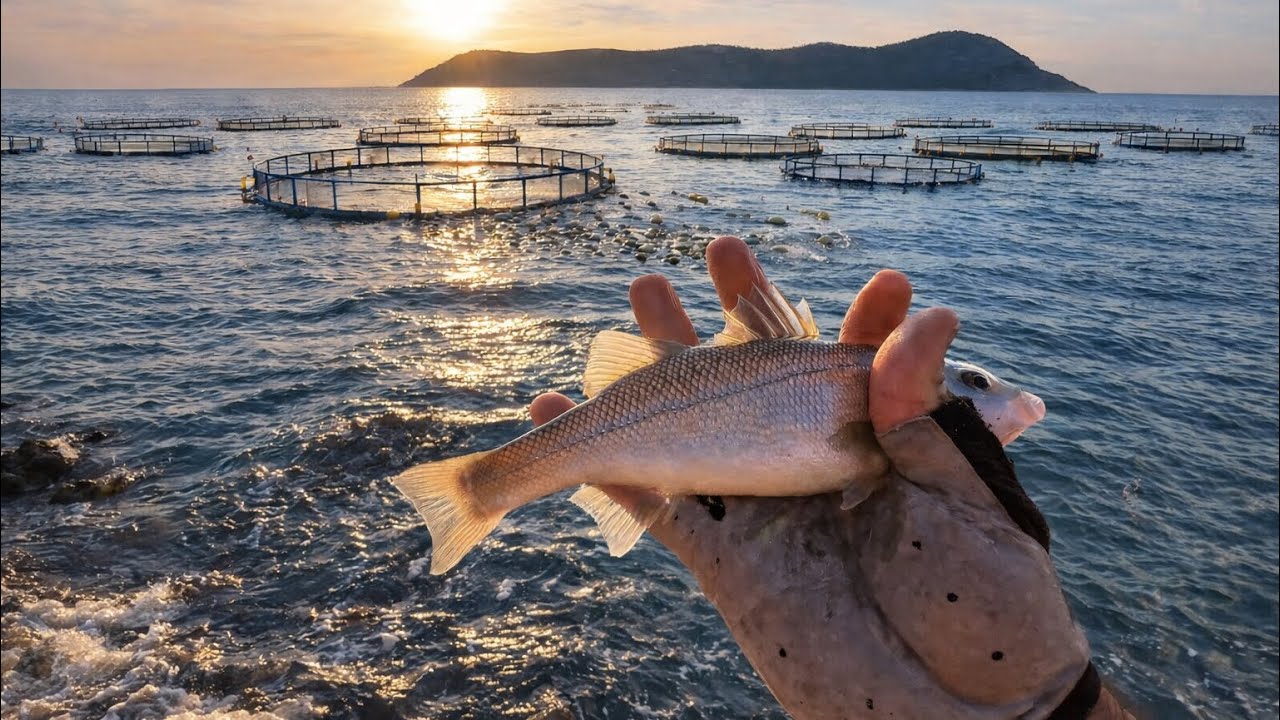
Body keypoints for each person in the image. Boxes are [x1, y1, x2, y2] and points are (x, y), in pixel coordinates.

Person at [529, 237, 1136, 719]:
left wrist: (1050, 698)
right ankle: (479, 490)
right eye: (974, 383)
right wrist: (1052, 704)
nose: (1011, 402)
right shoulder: (879, 412)